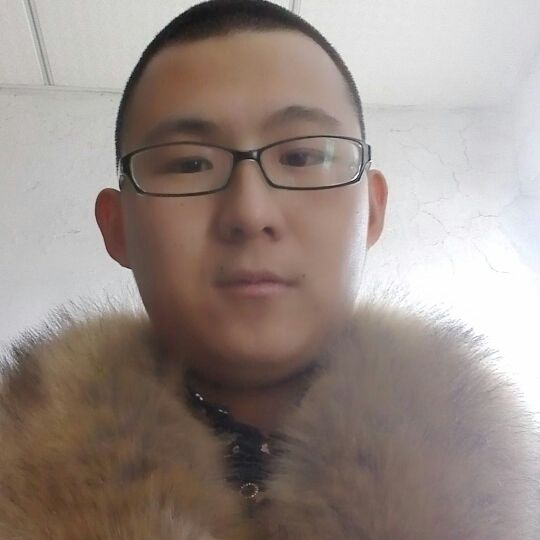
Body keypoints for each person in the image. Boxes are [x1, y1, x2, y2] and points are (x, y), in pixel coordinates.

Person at [0, 0, 538, 538]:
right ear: (117, 227)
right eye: (189, 163)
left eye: (302, 157)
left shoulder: (513, 502)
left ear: (372, 211)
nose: (250, 213)